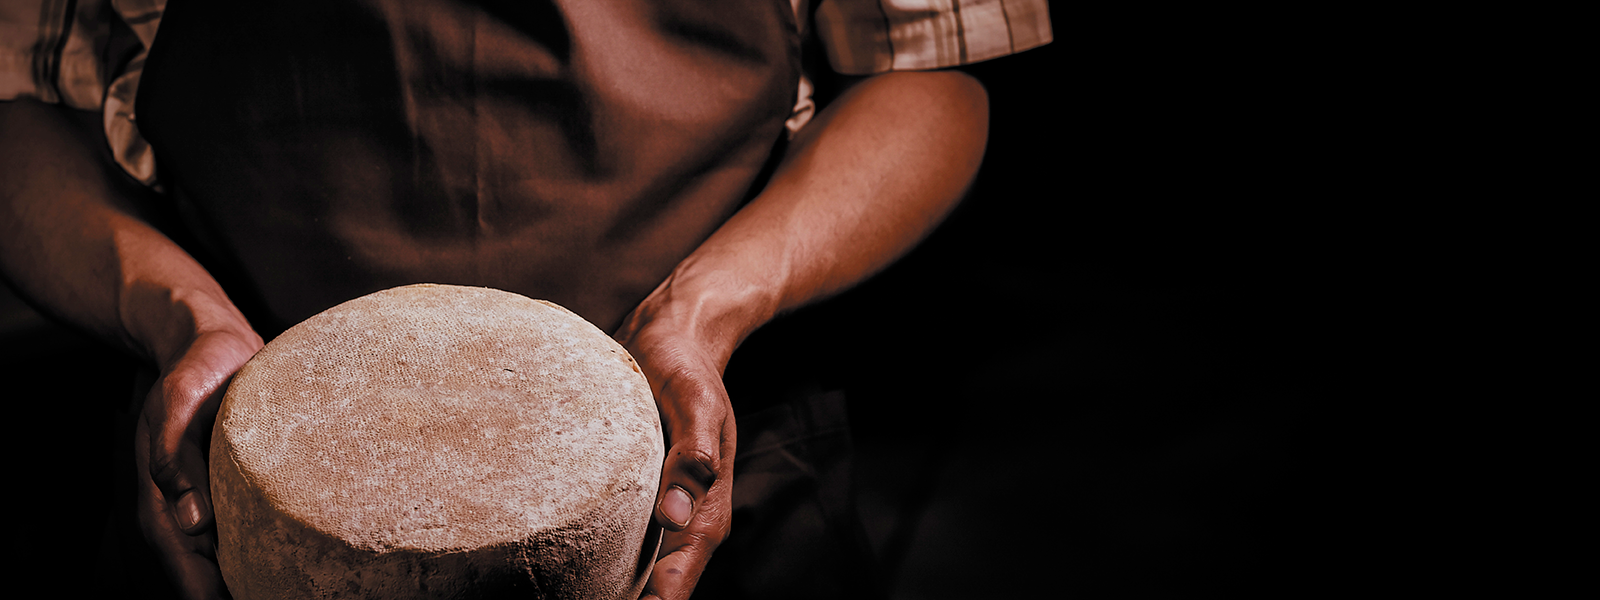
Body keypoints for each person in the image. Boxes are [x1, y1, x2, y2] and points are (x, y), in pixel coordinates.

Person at [0, 1, 1051, 598]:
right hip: (243, 492)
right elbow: (17, 101)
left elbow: (927, 69)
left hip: (715, 453)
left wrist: (705, 310)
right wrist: (172, 313)